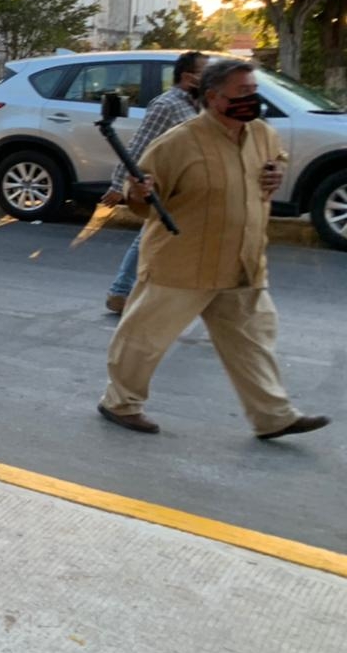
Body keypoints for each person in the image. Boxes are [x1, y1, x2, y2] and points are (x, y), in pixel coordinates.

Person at [98, 58, 330, 440]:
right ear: (213, 97)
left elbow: (275, 162)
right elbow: (140, 198)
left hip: (242, 262)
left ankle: (273, 416)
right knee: (142, 339)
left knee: (253, 343)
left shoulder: (261, 134)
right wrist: (137, 193)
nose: (252, 100)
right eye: (243, 93)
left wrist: (276, 171)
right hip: (183, 261)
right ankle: (119, 402)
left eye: (254, 92)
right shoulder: (177, 142)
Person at [100, 50, 207, 314]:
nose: (211, 78)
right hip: (168, 185)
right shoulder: (166, 105)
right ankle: (124, 291)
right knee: (155, 234)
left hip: (192, 187)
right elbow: (139, 146)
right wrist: (118, 186)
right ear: (188, 77)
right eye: (206, 73)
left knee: (154, 235)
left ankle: (123, 291)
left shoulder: (200, 105)